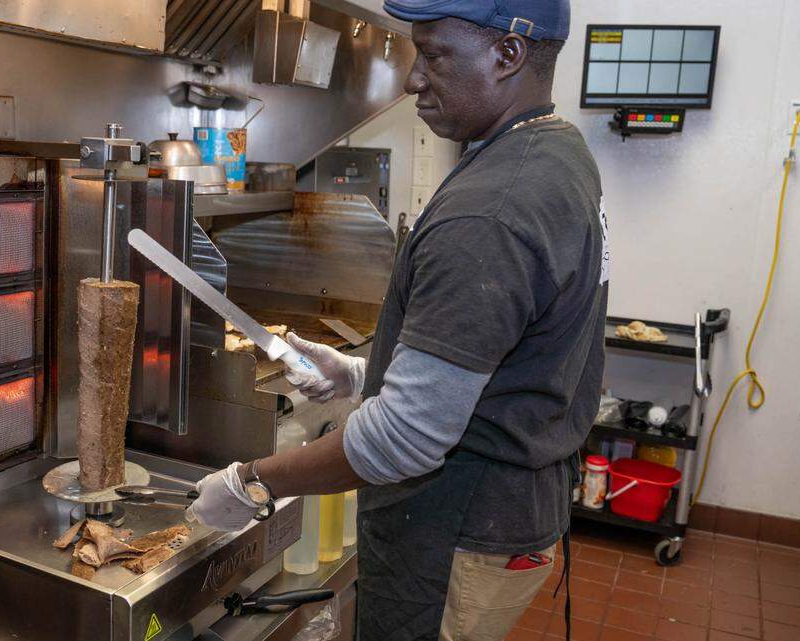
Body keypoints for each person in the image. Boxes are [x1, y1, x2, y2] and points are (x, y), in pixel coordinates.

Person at [186, 0, 609, 639]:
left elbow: (405, 438)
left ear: (508, 54)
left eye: (434, 55)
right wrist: (362, 374)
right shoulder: (556, 154)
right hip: (508, 509)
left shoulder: (488, 212)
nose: (413, 78)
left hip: (453, 530)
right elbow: (502, 350)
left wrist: (251, 483)